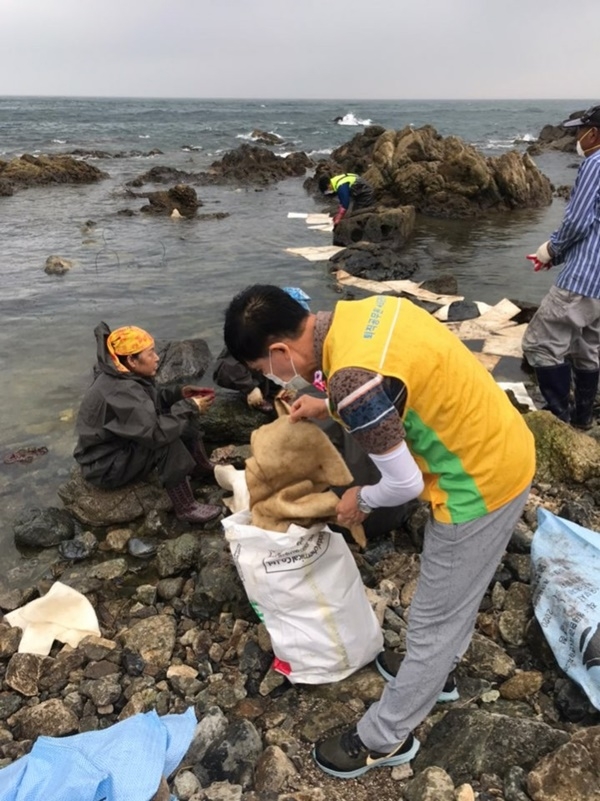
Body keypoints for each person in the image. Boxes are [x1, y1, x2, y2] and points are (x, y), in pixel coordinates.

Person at [223, 285, 535, 779]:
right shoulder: (367, 312)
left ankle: (383, 738)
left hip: (478, 483)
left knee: (434, 620)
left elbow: (403, 482)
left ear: (279, 351)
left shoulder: (350, 380)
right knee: (458, 595)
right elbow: (390, 383)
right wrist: (325, 406)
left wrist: (358, 500)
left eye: (264, 368)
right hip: (501, 439)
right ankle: (442, 673)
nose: (270, 376)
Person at [74, 322, 222, 524]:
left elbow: (146, 405)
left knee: (182, 413)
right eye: (150, 353)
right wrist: (190, 406)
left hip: (117, 447)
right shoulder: (121, 389)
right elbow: (155, 434)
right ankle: (186, 506)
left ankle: (199, 467)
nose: (157, 357)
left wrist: (179, 394)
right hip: (104, 466)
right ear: (132, 360)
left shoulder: (121, 373)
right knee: (167, 439)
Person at [522, 103, 600, 429]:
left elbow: (579, 222)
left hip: (582, 280)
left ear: (594, 132)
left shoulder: (595, 164)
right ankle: (583, 421)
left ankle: (559, 423)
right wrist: (557, 256)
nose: (575, 138)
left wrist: (549, 249)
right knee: (588, 348)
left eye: (578, 131)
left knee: (539, 344)